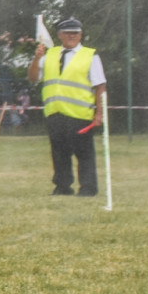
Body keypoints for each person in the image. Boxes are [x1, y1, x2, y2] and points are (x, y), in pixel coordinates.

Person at [27, 17, 106, 196]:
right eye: (68, 32)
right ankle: (62, 186)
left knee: (84, 154)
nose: (72, 35)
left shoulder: (90, 56)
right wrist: (36, 59)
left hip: (80, 114)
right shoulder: (50, 54)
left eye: (75, 32)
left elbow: (100, 86)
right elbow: (33, 77)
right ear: (59, 35)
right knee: (59, 153)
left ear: (81, 34)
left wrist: (99, 114)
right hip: (55, 113)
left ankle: (88, 188)